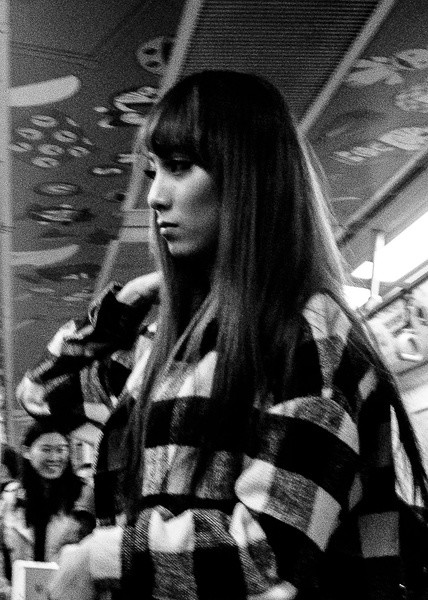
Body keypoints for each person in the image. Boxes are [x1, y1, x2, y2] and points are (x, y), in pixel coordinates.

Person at [16, 70, 428, 600]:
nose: (155, 196)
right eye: (153, 171)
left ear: (247, 180)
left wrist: (100, 557)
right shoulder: (163, 347)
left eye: (180, 167)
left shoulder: (305, 333)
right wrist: (121, 304)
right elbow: (41, 394)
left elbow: (270, 550)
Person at [0, 419, 95, 582]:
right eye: (46, 449)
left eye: (61, 450)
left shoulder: (84, 495)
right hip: (20, 590)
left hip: (69, 589)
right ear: (27, 452)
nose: (54, 457)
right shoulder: (11, 498)